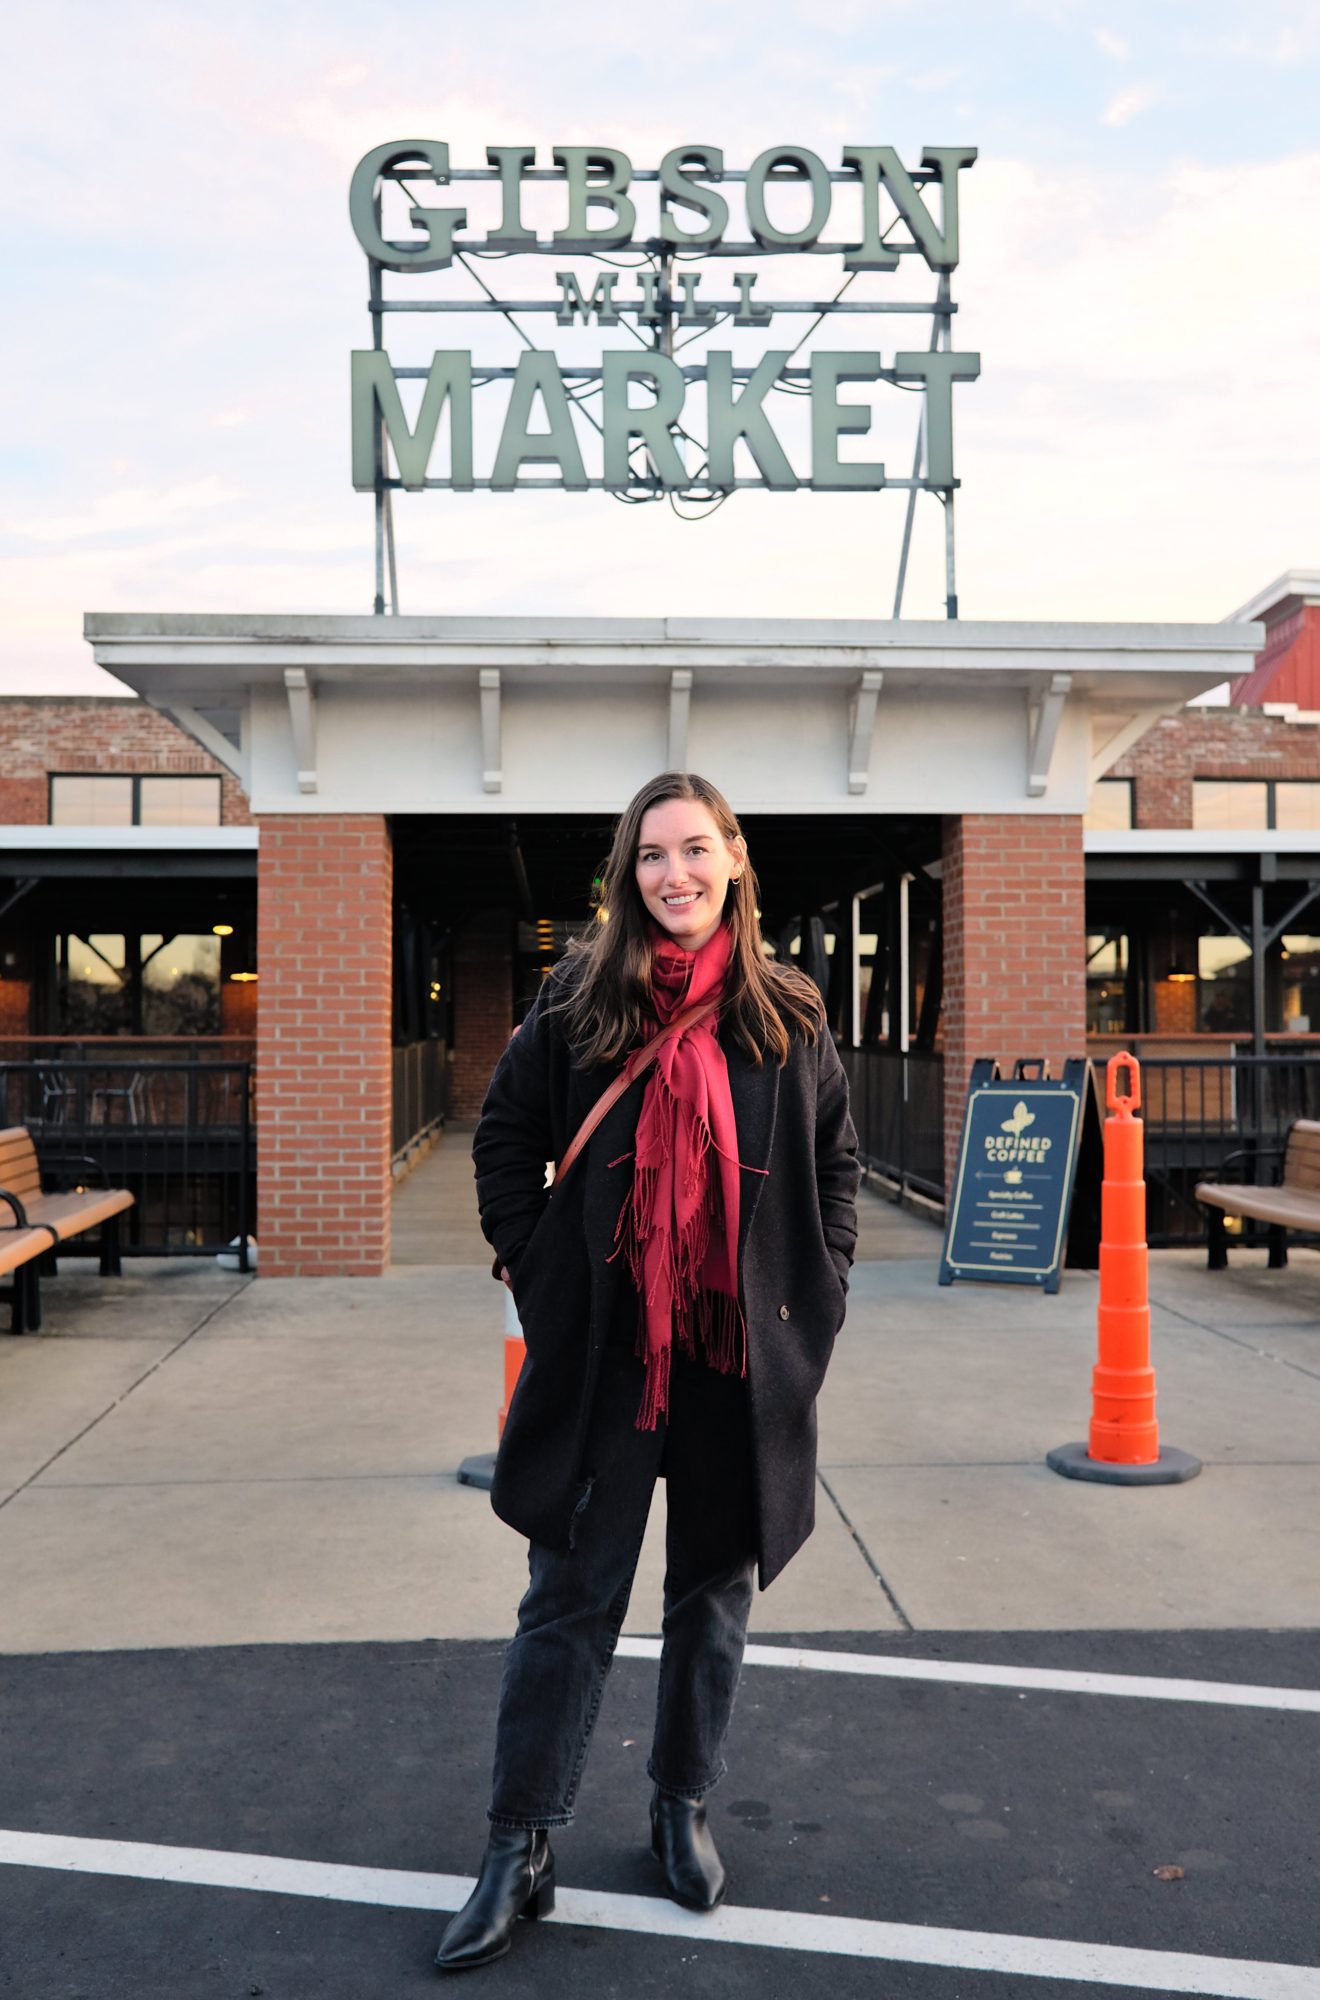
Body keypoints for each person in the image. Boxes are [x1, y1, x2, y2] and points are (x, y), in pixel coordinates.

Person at [436, 770, 860, 1973]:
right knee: (566, 1599)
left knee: (710, 1595)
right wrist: (541, 1274)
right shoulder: (581, 999)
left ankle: (681, 1806)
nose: (675, 875)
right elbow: (509, 1137)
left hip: (736, 1358)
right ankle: (518, 1844)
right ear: (629, 874)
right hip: (612, 1354)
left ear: (734, 858)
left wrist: (817, 1297)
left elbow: (835, 1166)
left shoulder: (788, 1011)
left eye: (695, 849)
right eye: (652, 856)